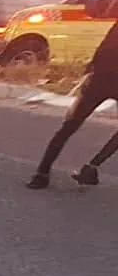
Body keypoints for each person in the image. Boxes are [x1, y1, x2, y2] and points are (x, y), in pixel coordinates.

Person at [27, 18, 118, 188]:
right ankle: (92, 167)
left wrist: (90, 70)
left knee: (68, 127)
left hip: (99, 79)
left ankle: (41, 174)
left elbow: (106, 45)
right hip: (103, 77)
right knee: (68, 127)